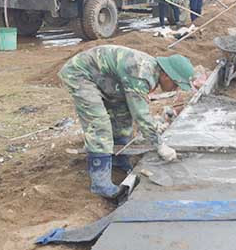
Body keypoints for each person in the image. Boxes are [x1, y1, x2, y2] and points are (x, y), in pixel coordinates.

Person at [58, 45, 194, 198]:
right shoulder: (142, 74)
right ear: (167, 76)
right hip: (81, 75)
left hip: (103, 78)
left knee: (122, 114)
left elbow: (132, 108)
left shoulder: (151, 71)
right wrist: (159, 144)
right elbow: (141, 115)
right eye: (176, 85)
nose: (175, 89)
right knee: (99, 124)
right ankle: (100, 183)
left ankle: (118, 159)